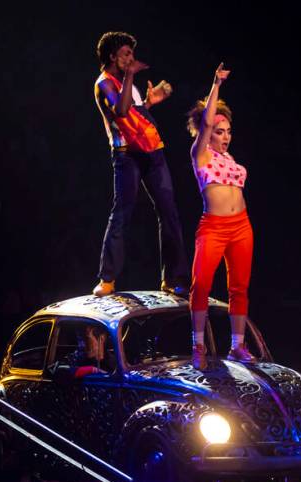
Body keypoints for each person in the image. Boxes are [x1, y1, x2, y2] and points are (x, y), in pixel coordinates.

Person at [92, 31, 188, 297]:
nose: (131, 58)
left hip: (152, 153)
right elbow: (120, 112)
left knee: (168, 212)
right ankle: (107, 279)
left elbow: (134, 113)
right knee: (122, 213)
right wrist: (132, 76)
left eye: (132, 54)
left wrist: (148, 102)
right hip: (127, 156)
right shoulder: (105, 83)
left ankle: (173, 278)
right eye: (125, 54)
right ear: (112, 56)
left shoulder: (127, 83)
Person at [186, 64, 255, 369]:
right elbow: (203, 125)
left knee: (239, 287)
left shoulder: (229, 158)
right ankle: (198, 345)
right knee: (201, 285)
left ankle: (237, 347)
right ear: (206, 132)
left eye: (228, 131)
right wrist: (216, 85)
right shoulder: (200, 154)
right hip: (213, 227)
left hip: (241, 225)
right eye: (218, 131)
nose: (225, 137)